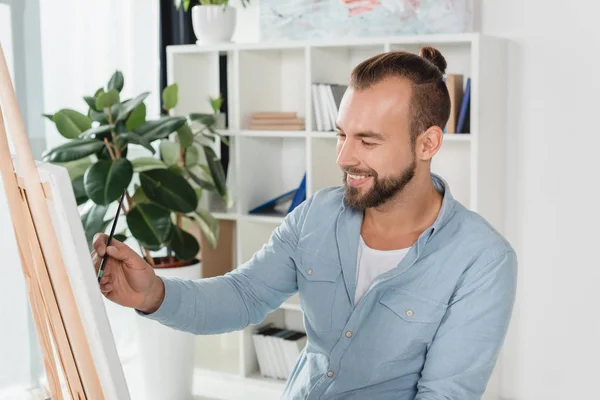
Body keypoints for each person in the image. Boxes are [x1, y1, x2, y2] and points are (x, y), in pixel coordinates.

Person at [92, 47, 517, 400]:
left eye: (367, 140)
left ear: (428, 143)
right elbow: (242, 296)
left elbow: (444, 395)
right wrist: (154, 294)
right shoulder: (317, 215)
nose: (344, 157)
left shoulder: (481, 260)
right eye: (340, 134)